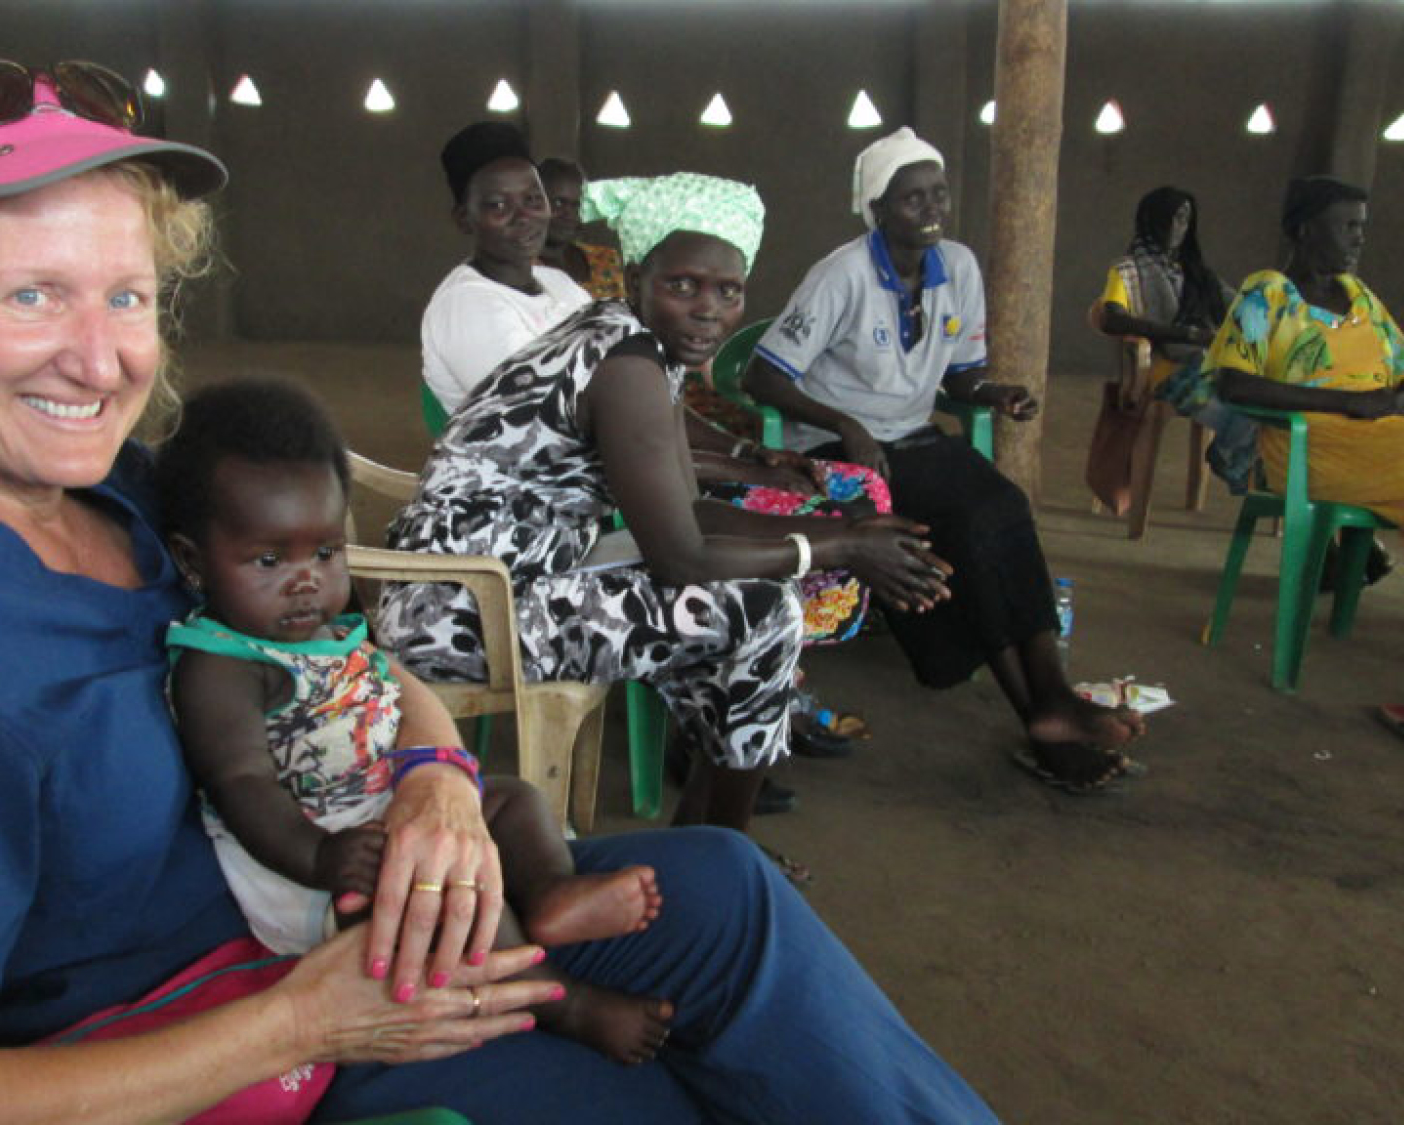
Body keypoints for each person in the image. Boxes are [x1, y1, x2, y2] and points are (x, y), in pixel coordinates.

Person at [0, 60, 1002, 1125]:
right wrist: (305, 1016)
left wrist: (438, 774)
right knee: (673, 1085)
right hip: (232, 1041)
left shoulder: (125, 495)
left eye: (129, 294)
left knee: (727, 889)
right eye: (30, 294)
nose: (98, 356)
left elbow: (347, 654)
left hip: (345, 913)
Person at [379, 171, 953, 840]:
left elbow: (693, 511)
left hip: (515, 575)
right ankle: (723, 855)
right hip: (466, 608)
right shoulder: (622, 363)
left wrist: (835, 525)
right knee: (764, 611)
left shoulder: (635, 344)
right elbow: (682, 555)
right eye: (683, 285)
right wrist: (844, 548)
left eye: (727, 291)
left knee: (755, 604)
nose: (707, 309)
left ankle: (701, 840)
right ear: (632, 278)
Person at [158, 378, 672, 1064]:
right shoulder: (219, 665)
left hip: (380, 809)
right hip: (313, 863)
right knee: (439, 883)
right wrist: (321, 858)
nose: (306, 578)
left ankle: (550, 892)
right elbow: (242, 784)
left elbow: (379, 691)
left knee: (512, 797)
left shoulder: (323, 624)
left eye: (324, 551)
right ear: (192, 561)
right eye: (270, 559)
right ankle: (560, 1002)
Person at [742, 127, 1147, 794]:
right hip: (837, 447)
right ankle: (1043, 709)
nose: (932, 208)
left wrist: (994, 393)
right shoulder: (840, 275)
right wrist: (843, 422)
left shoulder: (956, 266)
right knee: (959, 526)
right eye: (912, 198)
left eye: (938, 193)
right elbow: (764, 377)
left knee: (1002, 509)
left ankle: (1050, 697)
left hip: (913, 438)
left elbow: (961, 377)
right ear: (877, 208)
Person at [1203, 175, 1404, 718]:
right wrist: (1350, 405)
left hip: (1384, 442)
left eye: (1362, 227)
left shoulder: (1362, 298)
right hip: (1312, 448)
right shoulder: (1268, 294)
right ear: (1304, 230)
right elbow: (1234, 383)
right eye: (1347, 225)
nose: (1359, 238)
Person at [420, 122, 589, 414]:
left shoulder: (560, 285)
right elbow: (538, 412)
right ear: (463, 218)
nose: (523, 217)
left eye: (533, 199)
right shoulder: (465, 305)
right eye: (498, 205)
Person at [1096, 185, 1233, 401]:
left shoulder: (1195, 273)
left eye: (1183, 220)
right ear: (1152, 221)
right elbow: (1113, 320)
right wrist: (1186, 334)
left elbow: (1235, 303)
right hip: (1158, 363)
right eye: (1171, 218)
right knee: (1230, 392)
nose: (1176, 227)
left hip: (1204, 357)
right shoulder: (1126, 269)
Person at [537, 157, 626, 301]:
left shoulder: (605, 260)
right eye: (559, 203)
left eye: (577, 205)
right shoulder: (521, 268)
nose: (569, 214)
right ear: (534, 203)